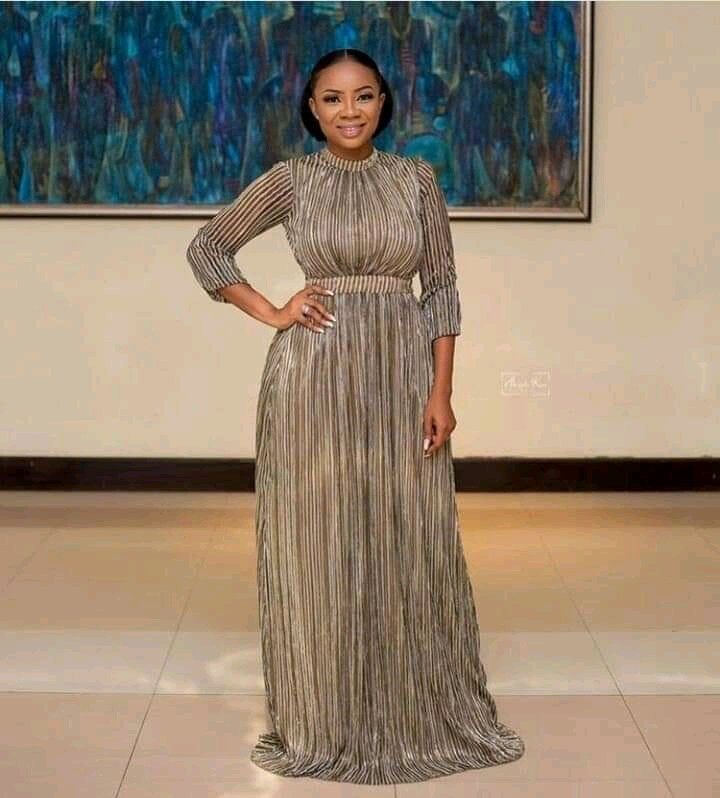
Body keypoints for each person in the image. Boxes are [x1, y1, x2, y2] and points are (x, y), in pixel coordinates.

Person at [186, 47, 525, 785]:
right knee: (320, 542)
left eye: (364, 96)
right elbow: (208, 248)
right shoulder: (292, 180)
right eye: (333, 98)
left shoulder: (416, 180)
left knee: (408, 534)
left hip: (402, 375)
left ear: (383, 103)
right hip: (313, 380)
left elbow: (441, 288)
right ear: (312, 108)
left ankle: (411, 706)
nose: (349, 111)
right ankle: (325, 715)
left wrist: (441, 392)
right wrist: (273, 311)